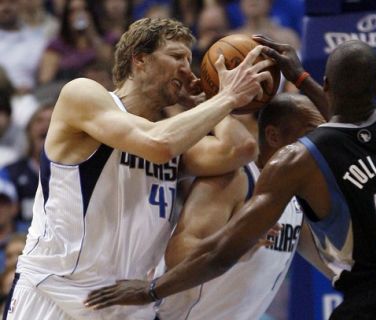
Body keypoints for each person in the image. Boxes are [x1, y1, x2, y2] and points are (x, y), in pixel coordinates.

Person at [85, 39, 376, 319]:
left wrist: (147, 290)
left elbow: (341, 130)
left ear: (329, 88)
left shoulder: (302, 167)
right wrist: (303, 78)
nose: (321, 132)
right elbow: (189, 252)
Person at [3, 17, 272, 320]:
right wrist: (227, 97)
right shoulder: (84, 96)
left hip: (127, 305)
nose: (187, 68)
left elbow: (239, 149)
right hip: (55, 295)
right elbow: (157, 144)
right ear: (140, 60)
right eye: (175, 57)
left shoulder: (171, 134)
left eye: (189, 59)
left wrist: (204, 102)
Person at [155, 93, 333, 320]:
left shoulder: (295, 195)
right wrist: (233, 248)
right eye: (310, 135)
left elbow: (335, 264)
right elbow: (176, 255)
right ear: (273, 136)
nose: (317, 146)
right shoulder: (236, 178)